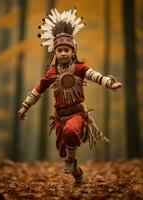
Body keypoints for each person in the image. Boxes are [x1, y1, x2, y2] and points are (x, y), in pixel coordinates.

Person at [18, 8, 122, 185]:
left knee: (71, 131)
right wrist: (25, 106)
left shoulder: (79, 68)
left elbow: (94, 75)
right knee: (63, 149)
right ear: (55, 53)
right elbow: (38, 89)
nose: (64, 53)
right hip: (60, 117)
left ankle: (70, 161)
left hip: (77, 114)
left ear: (73, 51)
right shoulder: (52, 72)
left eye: (67, 49)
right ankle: (76, 171)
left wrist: (109, 83)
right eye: (60, 50)